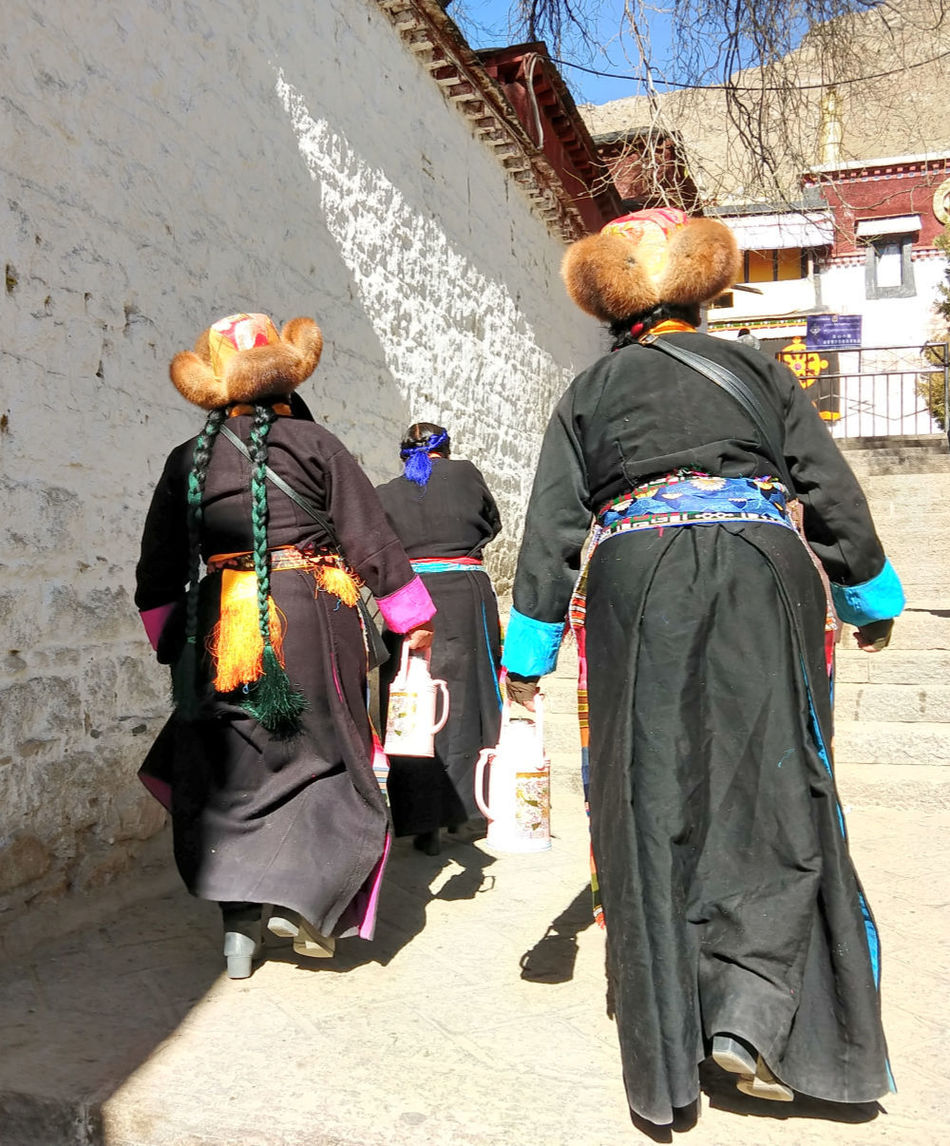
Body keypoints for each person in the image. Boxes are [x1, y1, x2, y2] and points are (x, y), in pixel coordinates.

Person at [500, 210, 904, 1126]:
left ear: (612, 304)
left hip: (637, 581)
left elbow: (553, 527)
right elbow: (827, 485)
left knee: (650, 797)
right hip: (765, 570)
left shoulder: (591, 391)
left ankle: (675, 1045)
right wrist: (869, 598)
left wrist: (526, 654)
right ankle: (756, 1015)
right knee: (777, 785)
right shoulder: (759, 370)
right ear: (700, 292)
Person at [134, 313, 435, 978]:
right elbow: (371, 539)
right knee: (322, 756)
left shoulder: (187, 459)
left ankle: (238, 931)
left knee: (232, 770)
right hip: (312, 615)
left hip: (218, 625)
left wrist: (170, 643)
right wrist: (411, 615)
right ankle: (306, 907)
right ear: (286, 378)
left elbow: (156, 570)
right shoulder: (317, 443)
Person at [375, 423, 502, 856]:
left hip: (409, 602)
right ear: (445, 450)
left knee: (411, 707)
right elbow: (492, 523)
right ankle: (467, 811)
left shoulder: (384, 493)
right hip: (467, 598)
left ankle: (421, 820)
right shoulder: (466, 474)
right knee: (471, 700)